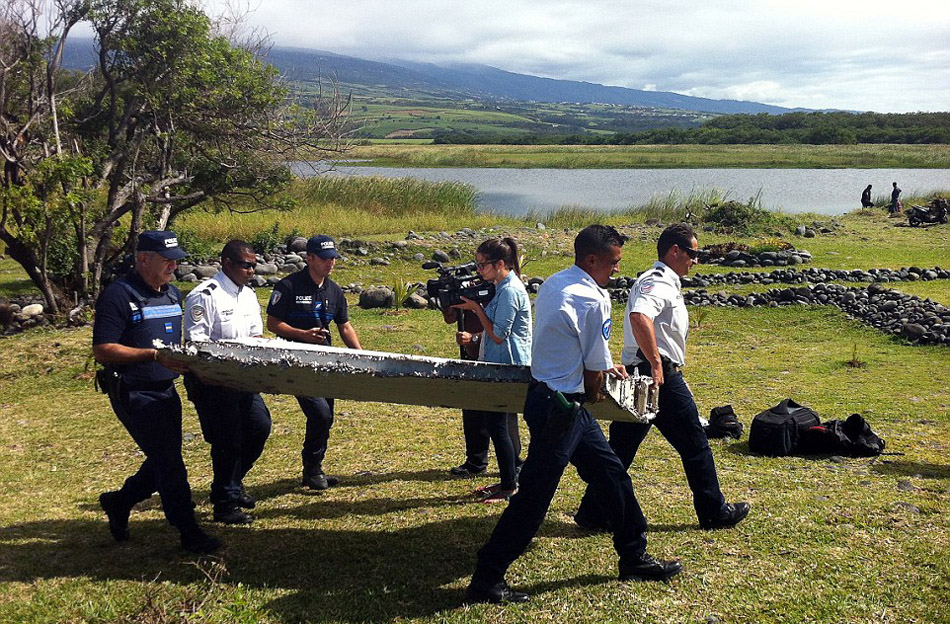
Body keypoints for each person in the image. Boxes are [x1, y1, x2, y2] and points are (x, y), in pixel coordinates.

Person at [466, 225, 682, 605]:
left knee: (612, 475)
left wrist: (599, 367)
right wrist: (599, 385)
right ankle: (487, 577)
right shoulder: (593, 299)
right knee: (534, 497)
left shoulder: (555, 283)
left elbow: (571, 344)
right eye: (614, 262)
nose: (618, 269)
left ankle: (633, 555)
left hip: (549, 399)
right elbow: (593, 375)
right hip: (562, 409)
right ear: (592, 260)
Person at [574, 223, 750, 533]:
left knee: (622, 447)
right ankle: (714, 511)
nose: (695, 260)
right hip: (658, 375)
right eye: (692, 253)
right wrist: (657, 364)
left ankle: (593, 511)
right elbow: (640, 317)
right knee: (695, 444)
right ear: (675, 251)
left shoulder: (663, 282)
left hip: (647, 371)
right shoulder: (657, 282)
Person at [93, 230, 220, 554]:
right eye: (167, 260)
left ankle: (119, 501)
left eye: (176, 261)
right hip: (134, 391)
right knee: (170, 462)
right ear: (143, 259)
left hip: (166, 389)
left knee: (163, 459)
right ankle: (188, 530)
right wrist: (152, 356)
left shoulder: (173, 294)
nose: (173, 266)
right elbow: (103, 349)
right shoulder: (118, 295)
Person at [183, 240, 272, 524]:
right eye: (246, 265)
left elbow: (255, 336)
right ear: (228, 263)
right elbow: (197, 343)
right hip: (214, 382)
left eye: (254, 265)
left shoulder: (248, 295)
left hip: (244, 379)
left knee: (259, 427)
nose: (251, 271)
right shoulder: (205, 296)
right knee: (228, 440)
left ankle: (232, 483)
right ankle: (225, 504)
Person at [266, 234, 362, 490]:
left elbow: (344, 326)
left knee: (327, 416)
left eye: (333, 258)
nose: (331, 263)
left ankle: (313, 468)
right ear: (309, 258)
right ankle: (312, 468)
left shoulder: (334, 290)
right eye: (325, 258)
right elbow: (273, 323)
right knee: (319, 413)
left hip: (325, 362)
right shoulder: (289, 286)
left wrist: (361, 355)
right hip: (296, 363)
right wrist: (303, 335)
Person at [452, 237, 531, 503]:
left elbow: (498, 334)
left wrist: (476, 308)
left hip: (508, 365)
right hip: (498, 363)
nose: (479, 271)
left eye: (482, 265)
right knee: (496, 426)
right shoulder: (501, 286)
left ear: (500, 264)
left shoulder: (510, 291)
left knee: (498, 427)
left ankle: (509, 485)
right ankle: (508, 480)